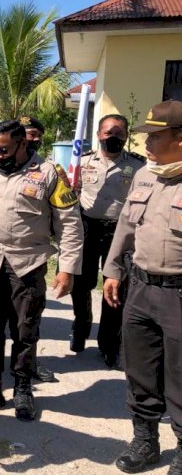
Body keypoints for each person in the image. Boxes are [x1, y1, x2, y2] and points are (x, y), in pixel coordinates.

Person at [0, 119, 83, 421]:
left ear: (23, 144)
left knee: (25, 330)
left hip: (28, 263)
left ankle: (23, 390)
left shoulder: (50, 173)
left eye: (4, 150)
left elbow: (69, 223)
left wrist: (67, 269)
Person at [103, 100, 182, 475]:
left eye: (156, 136)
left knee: (180, 375)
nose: (146, 143)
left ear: (180, 140)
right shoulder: (145, 175)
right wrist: (113, 270)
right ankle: (145, 441)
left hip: (178, 295)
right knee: (140, 370)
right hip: (140, 288)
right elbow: (126, 227)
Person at [71, 114, 144, 367]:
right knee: (81, 284)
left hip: (119, 232)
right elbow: (72, 194)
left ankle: (108, 344)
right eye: (107, 132)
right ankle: (81, 326)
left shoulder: (137, 166)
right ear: (99, 135)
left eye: (118, 133)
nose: (113, 137)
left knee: (114, 289)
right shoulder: (82, 162)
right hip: (88, 228)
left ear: (126, 136)